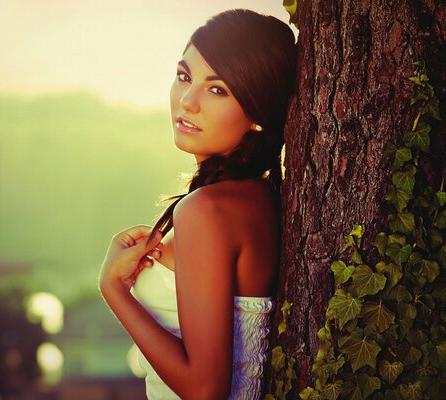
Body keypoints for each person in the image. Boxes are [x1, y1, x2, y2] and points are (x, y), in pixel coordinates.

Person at [99, 9, 297, 400]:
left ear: (258, 113)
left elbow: (205, 389)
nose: (187, 101)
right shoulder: (259, 197)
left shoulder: (206, 210)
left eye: (217, 89)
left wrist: (112, 289)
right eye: (185, 76)